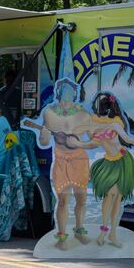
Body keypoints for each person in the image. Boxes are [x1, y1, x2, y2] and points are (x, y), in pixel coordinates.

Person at [72, 93, 134, 248]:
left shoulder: (115, 124)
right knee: (109, 196)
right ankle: (104, 231)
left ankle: (112, 233)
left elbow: (128, 140)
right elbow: (92, 143)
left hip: (122, 161)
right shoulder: (93, 124)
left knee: (116, 196)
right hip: (108, 162)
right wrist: (78, 143)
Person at [38, 80, 92, 249]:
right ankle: (62, 238)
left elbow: (95, 140)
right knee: (63, 200)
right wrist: (44, 135)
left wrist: (79, 144)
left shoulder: (84, 115)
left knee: (81, 199)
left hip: (80, 160)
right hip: (60, 160)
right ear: (58, 92)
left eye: (71, 89)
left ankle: (79, 230)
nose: (68, 92)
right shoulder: (49, 113)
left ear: (76, 93)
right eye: (64, 89)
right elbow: (44, 141)